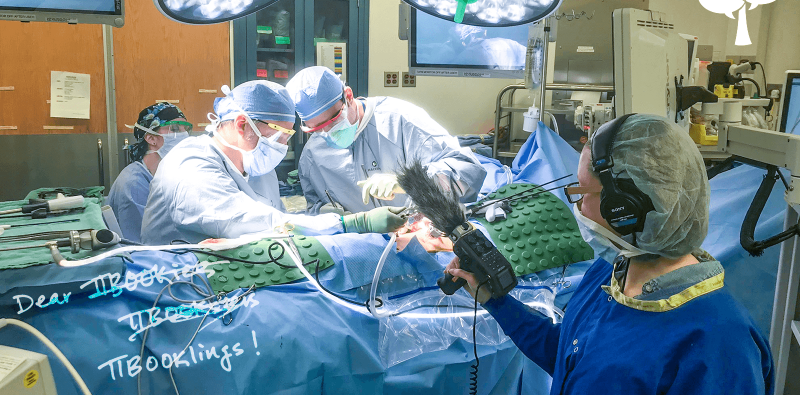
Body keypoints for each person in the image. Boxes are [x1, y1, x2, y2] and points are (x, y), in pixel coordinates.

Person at [446, 114, 774, 394]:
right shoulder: (611, 272)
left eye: (582, 191)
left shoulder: (720, 344)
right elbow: (569, 355)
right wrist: (495, 300)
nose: (577, 206)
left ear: (624, 209)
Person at [140, 80, 406, 245]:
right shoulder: (188, 163)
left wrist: (315, 218)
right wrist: (352, 225)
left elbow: (279, 223)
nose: (283, 146)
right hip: (179, 291)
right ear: (243, 125)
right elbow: (248, 222)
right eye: (280, 136)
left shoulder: (256, 167)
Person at [285, 66, 486, 215]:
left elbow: (468, 172)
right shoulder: (312, 155)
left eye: (333, 120)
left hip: (420, 242)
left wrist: (409, 182)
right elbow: (314, 208)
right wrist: (327, 215)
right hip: (363, 249)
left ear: (348, 96)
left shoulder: (401, 120)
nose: (328, 133)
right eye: (316, 129)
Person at [106, 102, 191, 243]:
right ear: (151, 138)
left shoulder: (165, 175)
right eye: (174, 128)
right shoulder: (133, 184)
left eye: (186, 129)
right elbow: (143, 244)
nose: (184, 135)